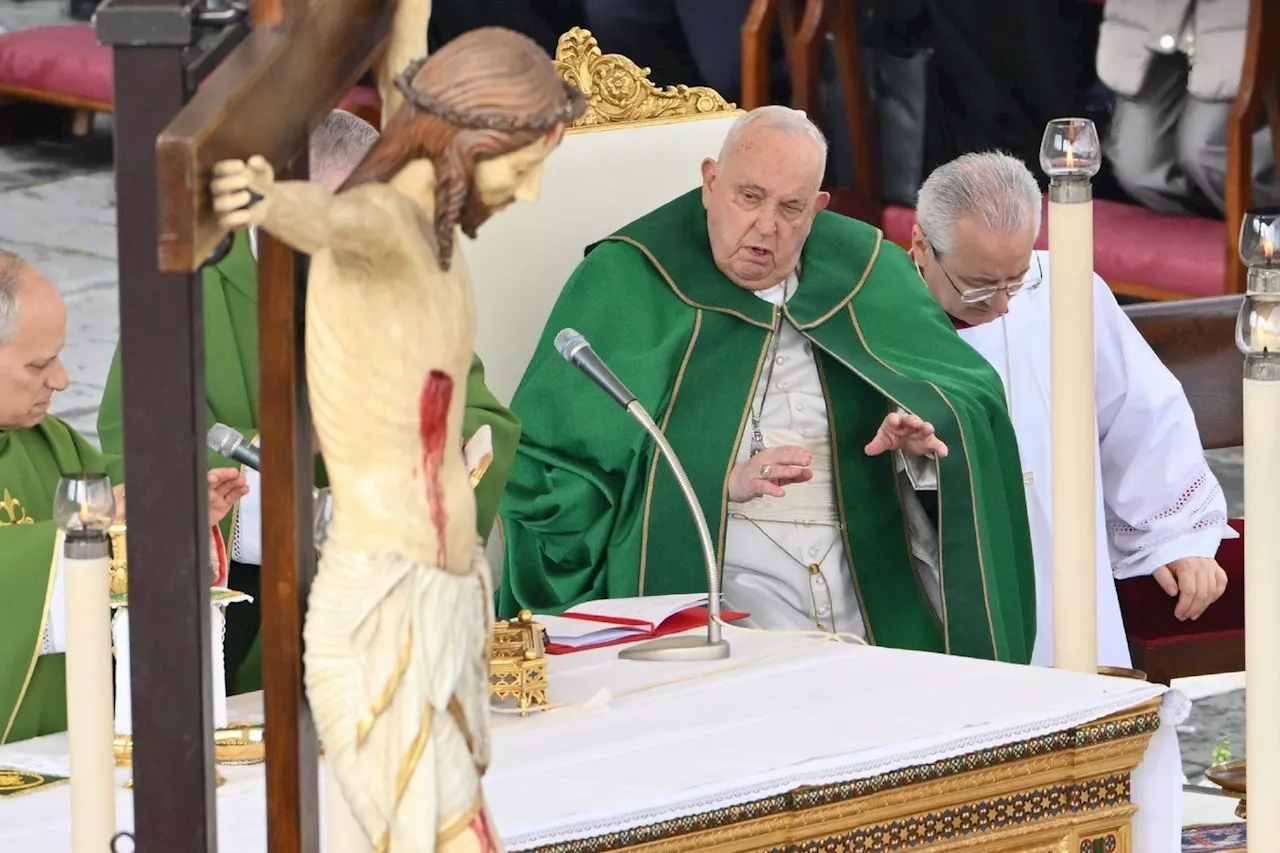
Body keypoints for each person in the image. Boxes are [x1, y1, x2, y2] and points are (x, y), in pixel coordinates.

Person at [210, 27, 585, 851]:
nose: (527, 194)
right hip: (383, 596)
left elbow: (405, 54)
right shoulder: (378, 226)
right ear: (467, 144)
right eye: (521, 168)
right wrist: (268, 203)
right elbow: (335, 221)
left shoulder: (430, 234)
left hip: (442, 593)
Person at [497, 105, 1038, 663]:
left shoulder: (869, 268)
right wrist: (715, 484)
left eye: (791, 208)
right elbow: (546, 473)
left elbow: (970, 405)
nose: (766, 227)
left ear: (818, 208)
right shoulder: (626, 280)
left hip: (875, 557)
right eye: (748, 197)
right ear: (710, 182)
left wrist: (918, 447)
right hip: (724, 560)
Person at [96, 109, 521, 695]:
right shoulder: (184, 286)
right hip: (251, 615)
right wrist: (279, 466)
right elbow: (136, 454)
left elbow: (479, 417)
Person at [911, 151, 1232, 668]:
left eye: (1013, 280)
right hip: (944, 573)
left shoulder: (1062, 290)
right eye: (979, 288)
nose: (1002, 307)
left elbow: (1140, 413)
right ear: (921, 246)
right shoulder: (877, 317)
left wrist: (1175, 537)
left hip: (1066, 568)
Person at [0, 251, 246, 744]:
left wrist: (178, 510)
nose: (62, 379)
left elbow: (122, 493)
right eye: (39, 363)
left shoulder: (44, 438)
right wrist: (99, 520)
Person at [1097, 0, 1279, 217]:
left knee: (1210, 152)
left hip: (1240, 21)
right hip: (1151, 20)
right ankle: (1221, 238)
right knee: (1141, 170)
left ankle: (1263, 238)